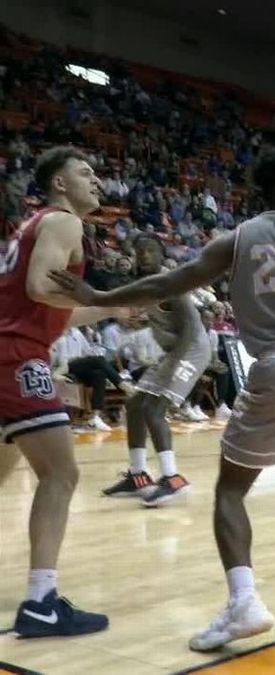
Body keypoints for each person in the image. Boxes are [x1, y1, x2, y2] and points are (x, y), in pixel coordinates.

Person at [50, 145, 275, 651]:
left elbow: (172, 280)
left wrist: (100, 297)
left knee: (230, 490)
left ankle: (244, 602)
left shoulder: (237, 239)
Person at [0, 146, 122, 637]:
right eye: (85, 172)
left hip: (7, 348)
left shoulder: (35, 227)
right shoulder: (62, 222)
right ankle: (41, 601)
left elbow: (55, 310)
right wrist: (107, 296)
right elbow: (36, 288)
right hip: (16, 356)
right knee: (60, 474)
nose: (97, 181)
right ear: (58, 183)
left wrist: (115, 307)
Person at [100, 234, 212, 507]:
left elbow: (190, 327)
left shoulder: (171, 283)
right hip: (175, 350)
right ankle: (138, 475)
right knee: (135, 404)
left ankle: (171, 478)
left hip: (192, 348)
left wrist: (174, 363)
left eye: (150, 250)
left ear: (162, 255)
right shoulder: (143, 285)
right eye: (140, 251)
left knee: (153, 409)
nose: (145, 256)